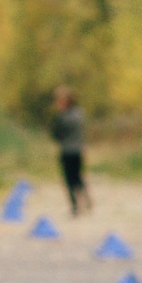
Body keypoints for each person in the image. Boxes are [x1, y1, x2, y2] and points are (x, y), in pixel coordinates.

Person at [49, 87, 90, 216]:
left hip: (67, 150)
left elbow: (55, 134)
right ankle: (86, 199)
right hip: (78, 149)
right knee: (78, 177)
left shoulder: (62, 117)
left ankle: (75, 207)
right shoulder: (79, 113)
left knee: (69, 179)